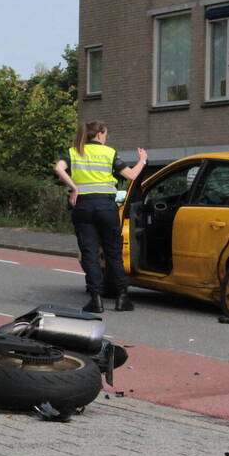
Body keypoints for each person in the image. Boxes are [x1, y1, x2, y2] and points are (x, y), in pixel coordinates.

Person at [54, 120, 148, 313]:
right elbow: (131, 175)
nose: (106, 138)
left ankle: (96, 300)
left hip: (83, 208)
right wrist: (143, 160)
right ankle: (122, 298)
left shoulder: (74, 152)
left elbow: (58, 168)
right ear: (99, 135)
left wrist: (74, 188)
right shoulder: (109, 152)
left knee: (90, 253)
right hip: (106, 207)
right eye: (105, 134)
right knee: (114, 252)